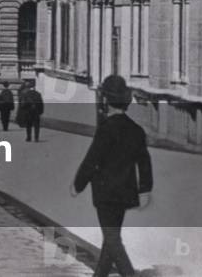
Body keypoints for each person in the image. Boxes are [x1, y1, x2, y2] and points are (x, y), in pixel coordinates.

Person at [72, 75, 152, 277]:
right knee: (111, 237)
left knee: (113, 239)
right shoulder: (136, 130)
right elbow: (144, 162)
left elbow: (92, 159)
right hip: (126, 191)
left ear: (106, 101)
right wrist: (145, 189)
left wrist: (78, 184)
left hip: (105, 193)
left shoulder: (106, 129)